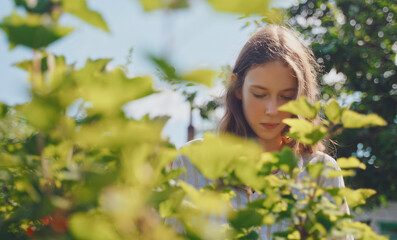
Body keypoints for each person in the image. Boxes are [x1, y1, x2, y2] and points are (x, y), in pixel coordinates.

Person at [168, 24, 351, 239]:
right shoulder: (191, 163)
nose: (272, 110)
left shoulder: (321, 173)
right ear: (237, 89)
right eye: (259, 94)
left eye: (285, 97)